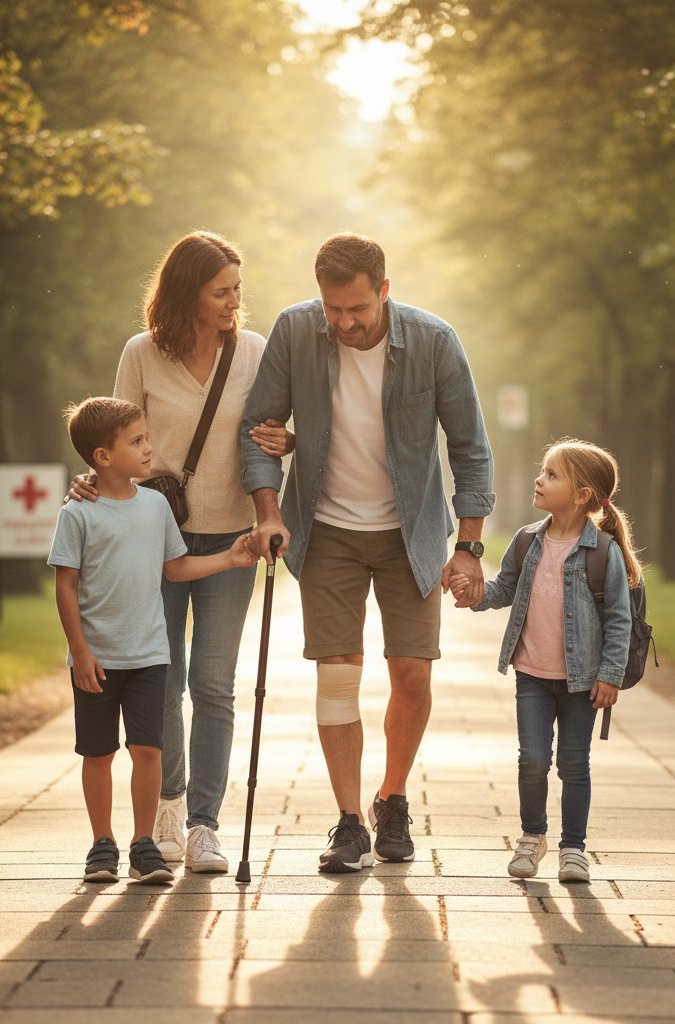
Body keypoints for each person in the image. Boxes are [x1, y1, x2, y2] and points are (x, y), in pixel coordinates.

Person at [241, 232, 495, 873]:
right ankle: (350, 821)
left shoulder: (433, 341)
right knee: (339, 676)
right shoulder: (297, 331)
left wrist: (468, 546)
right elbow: (257, 432)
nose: (344, 323)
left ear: (385, 290)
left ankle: (393, 799)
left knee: (413, 673)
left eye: (357, 309)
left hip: (411, 534)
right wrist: (269, 512)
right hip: (325, 529)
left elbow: (470, 449)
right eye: (333, 309)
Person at [66, 231, 291, 873]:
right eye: (220, 291)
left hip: (231, 537)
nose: (232, 302)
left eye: (236, 291)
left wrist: (287, 438)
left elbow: (273, 429)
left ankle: (203, 824)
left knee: (213, 682)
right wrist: (91, 479)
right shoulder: (142, 353)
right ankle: (165, 805)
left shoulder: (254, 351)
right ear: (186, 291)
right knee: (157, 679)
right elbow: (114, 434)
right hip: (150, 537)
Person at [49, 396, 260, 884]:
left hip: (148, 656)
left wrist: (230, 559)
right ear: (103, 457)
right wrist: (79, 650)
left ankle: (144, 844)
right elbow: (65, 584)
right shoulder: (77, 514)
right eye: (137, 441)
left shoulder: (156, 506)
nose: (149, 448)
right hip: (96, 659)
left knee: (148, 751)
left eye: (146, 438)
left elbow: (176, 567)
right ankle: (102, 844)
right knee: (98, 754)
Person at [450, 438, 637, 883]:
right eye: (542, 470)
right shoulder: (527, 540)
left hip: (583, 682)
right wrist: (473, 594)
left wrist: (610, 675)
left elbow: (619, 618)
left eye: (551, 475)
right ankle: (532, 838)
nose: (540, 478)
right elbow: (504, 589)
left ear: (582, 495)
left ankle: (574, 849)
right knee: (533, 759)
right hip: (532, 674)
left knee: (574, 764)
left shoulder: (603, 551)